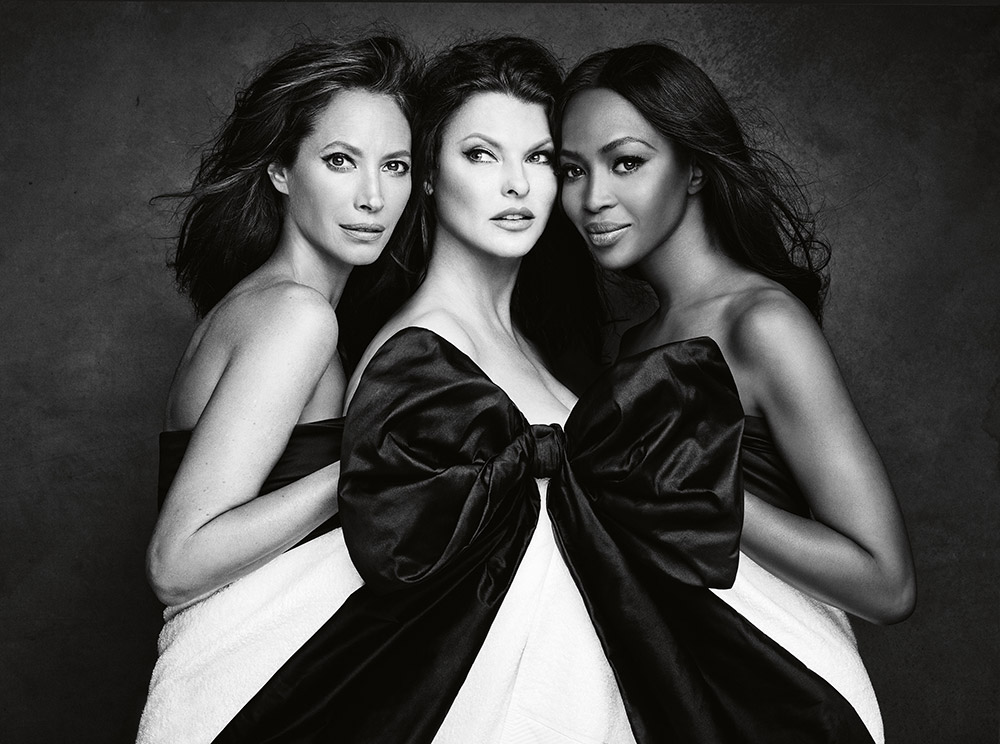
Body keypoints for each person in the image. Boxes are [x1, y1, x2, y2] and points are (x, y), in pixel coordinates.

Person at [213, 34, 751, 744]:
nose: (518, 187)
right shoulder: (417, 356)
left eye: (537, 159)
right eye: (480, 155)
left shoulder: (534, 341)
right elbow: (413, 606)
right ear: (430, 177)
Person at [558, 41, 917, 742]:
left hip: (784, 694)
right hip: (688, 697)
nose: (593, 198)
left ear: (693, 169)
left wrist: (700, 494)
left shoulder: (761, 322)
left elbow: (887, 584)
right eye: (573, 170)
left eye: (625, 162)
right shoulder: (636, 341)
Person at [134, 34, 418, 744]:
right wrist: (367, 469)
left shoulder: (277, 306)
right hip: (234, 688)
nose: (373, 197)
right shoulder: (295, 316)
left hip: (261, 675)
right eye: (340, 161)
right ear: (281, 172)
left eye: (396, 166)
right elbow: (177, 563)